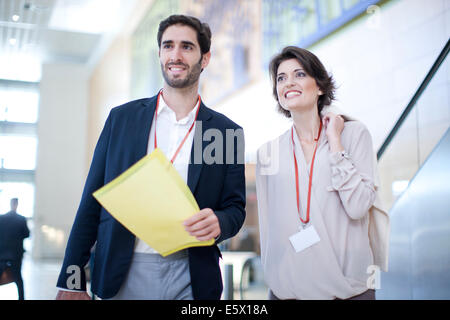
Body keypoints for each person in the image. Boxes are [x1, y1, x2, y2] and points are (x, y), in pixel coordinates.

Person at [56, 14, 246, 300]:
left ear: (204, 58)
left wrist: (220, 222)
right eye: (168, 46)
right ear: (159, 53)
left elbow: (235, 208)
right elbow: (91, 203)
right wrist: (71, 279)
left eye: (187, 47)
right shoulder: (122, 120)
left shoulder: (225, 132)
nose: (176, 55)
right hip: (122, 270)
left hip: (192, 275)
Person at [255, 46, 389, 300]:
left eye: (300, 74)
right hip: (289, 290)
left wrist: (335, 144)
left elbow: (359, 206)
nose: (289, 82)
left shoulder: (354, 134)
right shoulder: (267, 153)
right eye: (281, 78)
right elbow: (269, 228)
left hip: (349, 289)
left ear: (320, 87)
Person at [0, 198, 30, 300]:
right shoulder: (21, 219)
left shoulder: (1, 218)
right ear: (17, 204)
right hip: (16, 254)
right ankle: (21, 298)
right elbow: (27, 234)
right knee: (18, 278)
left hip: (2, 253)